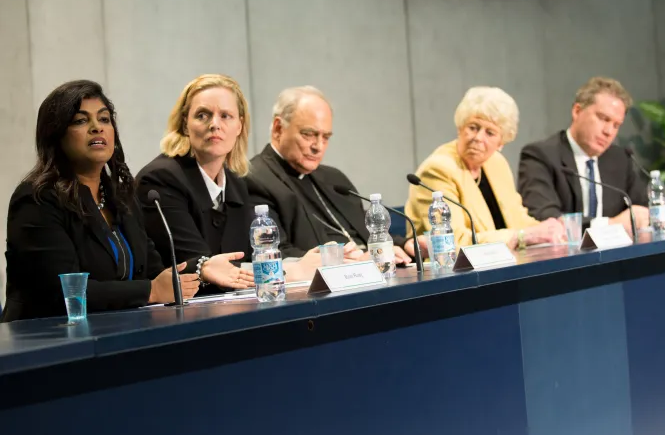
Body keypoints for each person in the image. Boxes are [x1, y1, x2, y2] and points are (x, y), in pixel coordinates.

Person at [2, 80, 201, 322]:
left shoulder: (121, 196)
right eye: (80, 120)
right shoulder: (37, 199)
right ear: (56, 135)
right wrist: (151, 291)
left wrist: (202, 269)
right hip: (46, 343)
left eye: (104, 119)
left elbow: (153, 272)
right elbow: (63, 292)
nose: (97, 128)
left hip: (118, 332)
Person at [136, 74, 320, 293]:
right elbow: (201, 267)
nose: (215, 124)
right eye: (203, 115)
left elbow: (250, 256)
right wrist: (293, 271)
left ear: (239, 126)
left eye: (226, 116)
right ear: (185, 125)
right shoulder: (160, 180)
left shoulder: (235, 183)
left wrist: (304, 263)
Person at [246, 86, 422, 261]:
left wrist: (404, 244)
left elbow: (366, 231)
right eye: (309, 134)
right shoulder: (255, 179)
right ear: (278, 128)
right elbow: (275, 254)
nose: (318, 147)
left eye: (326, 137)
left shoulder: (334, 179)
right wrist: (346, 262)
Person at [405, 86, 565, 249]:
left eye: (490, 133)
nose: (478, 138)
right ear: (460, 128)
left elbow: (517, 219)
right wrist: (522, 236)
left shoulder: (496, 163)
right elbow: (452, 241)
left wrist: (549, 228)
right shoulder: (437, 170)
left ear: (501, 143)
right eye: (473, 127)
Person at [517, 76, 649, 233]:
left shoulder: (620, 158)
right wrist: (609, 225)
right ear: (577, 111)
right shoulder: (540, 155)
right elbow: (545, 217)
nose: (608, 132)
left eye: (616, 125)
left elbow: (643, 207)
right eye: (603, 118)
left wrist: (642, 216)